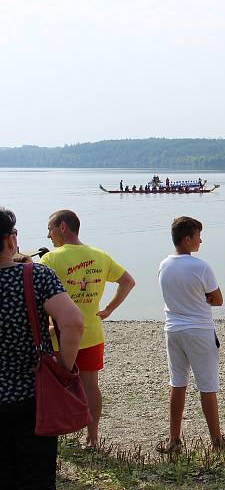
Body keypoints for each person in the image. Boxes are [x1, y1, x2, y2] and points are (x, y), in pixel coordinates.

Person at [1, 207, 84, 490]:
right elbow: (73, 322)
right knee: (35, 478)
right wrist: (63, 367)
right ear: (11, 240)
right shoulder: (35, 276)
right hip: (33, 395)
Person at [41, 209, 136, 449]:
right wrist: (109, 309)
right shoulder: (100, 255)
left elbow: (38, 295)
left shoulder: (51, 259)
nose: (49, 235)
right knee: (91, 385)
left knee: (55, 386)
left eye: (51, 229)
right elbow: (128, 281)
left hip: (60, 335)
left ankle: (57, 434)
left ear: (63, 227)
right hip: (91, 331)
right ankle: (92, 438)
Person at [158, 216, 225, 452]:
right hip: (199, 330)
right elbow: (218, 299)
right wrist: (204, 297)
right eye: (198, 236)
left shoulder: (164, 264)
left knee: (177, 383)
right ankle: (217, 440)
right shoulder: (201, 266)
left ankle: (174, 439)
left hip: (173, 328)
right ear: (187, 239)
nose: (200, 240)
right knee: (207, 385)